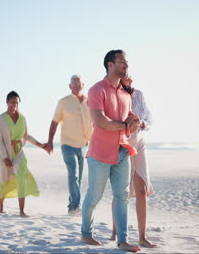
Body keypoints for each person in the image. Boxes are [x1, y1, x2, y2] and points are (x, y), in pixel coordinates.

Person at [81, 49, 141, 252]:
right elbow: (100, 122)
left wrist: (134, 122)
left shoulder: (125, 93)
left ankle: (122, 240)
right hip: (99, 154)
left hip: (123, 150)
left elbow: (129, 116)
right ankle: (86, 234)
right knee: (94, 197)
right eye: (122, 62)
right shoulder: (96, 90)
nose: (126, 65)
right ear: (110, 65)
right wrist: (125, 125)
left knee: (122, 195)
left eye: (127, 62)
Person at [110, 75, 156, 248]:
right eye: (124, 76)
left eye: (129, 74)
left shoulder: (138, 95)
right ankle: (115, 232)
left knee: (142, 189)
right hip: (122, 143)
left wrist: (141, 123)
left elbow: (149, 119)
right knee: (120, 191)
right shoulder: (115, 95)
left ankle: (142, 237)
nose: (129, 78)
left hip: (139, 142)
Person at [45, 74, 93, 215]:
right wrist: (49, 141)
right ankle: (75, 207)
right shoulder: (63, 102)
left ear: (83, 85)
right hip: (67, 143)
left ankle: (71, 206)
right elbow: (54, 122)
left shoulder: (89, 102)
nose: (77, 86)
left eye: (79, 84)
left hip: (84, 144)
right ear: (70, 86)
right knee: (73, 174)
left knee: (77, 177)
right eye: (74, 84)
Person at [0, 91, 48, 216]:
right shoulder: (1, 119)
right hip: (6, 155)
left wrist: (41, 146)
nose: (15, 105)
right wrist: (5, 158)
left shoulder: (22, 118)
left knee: (21, 178)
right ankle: (1, 207)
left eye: (17, 103)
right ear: (7, 102)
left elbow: (26, 136)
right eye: (12, 102)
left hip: (19, 154)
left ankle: (21, 211)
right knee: (4, 180)